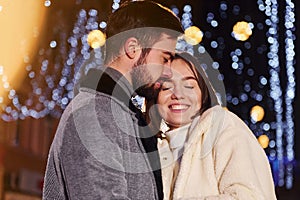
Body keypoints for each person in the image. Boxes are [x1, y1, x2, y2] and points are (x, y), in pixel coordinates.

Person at [42, 1, 183, 199]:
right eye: (164, 58)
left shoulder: (121, 113)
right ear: (133, 48)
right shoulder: (95, 114)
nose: (168, 72)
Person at [148, 52, 277, 199]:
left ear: (203, 94)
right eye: (166, 87)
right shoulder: (155, 150)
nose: (177, 94)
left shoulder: (224, 128)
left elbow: (249, 196)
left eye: (189, 85)